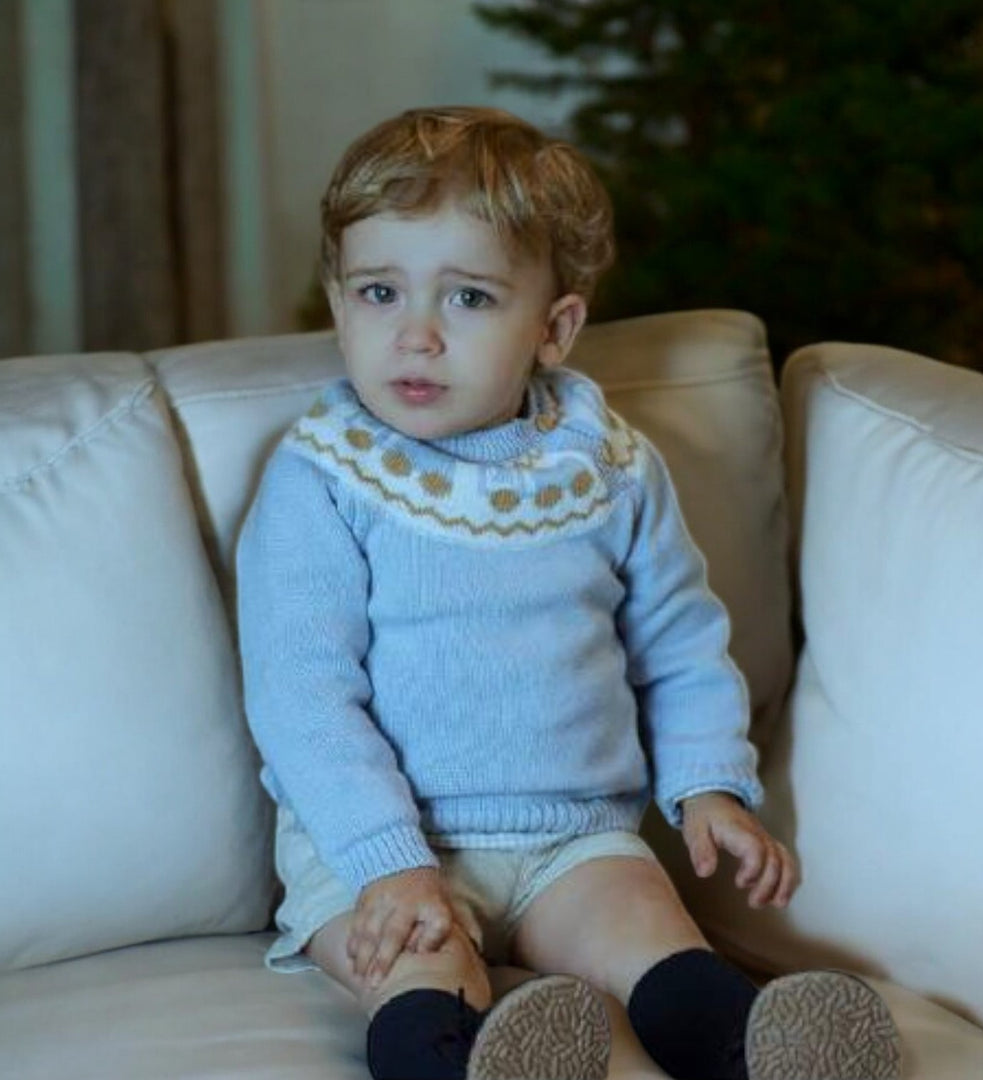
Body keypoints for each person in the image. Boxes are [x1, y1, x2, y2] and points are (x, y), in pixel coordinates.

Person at [236, 106, 901, 1080]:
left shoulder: (610, 468)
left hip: (573, 837)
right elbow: (300, 692)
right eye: (380, 292)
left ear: (555, 329)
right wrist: (391, 861)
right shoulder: (324, 476)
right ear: (338, 305)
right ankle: (469, 1062)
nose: (415, 335)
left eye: (466, 299)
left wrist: (709, 785)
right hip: (376, 844)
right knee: (420, 965)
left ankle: (764, 1051)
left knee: (654, 942)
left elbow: (677, 642)